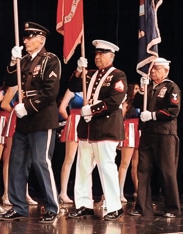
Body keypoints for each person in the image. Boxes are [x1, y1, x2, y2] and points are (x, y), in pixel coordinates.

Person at [0, 22, 61, 223]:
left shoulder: (51, 60)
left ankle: (52, 206)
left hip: (42, 117)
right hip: (24, 119)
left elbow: (50, 92)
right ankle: (18, 206)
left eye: (29, 37)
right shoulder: (23, 60)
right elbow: (9, 80)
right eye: (25, 38)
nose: (25, 41)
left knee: (41, 162)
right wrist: (12, 61)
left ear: (41, 39)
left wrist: (29, 106)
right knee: (17, 163)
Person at [67, 39, 127, 221]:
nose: (98, 57)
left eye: (102, 54)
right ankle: (84, 204)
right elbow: (73, 87)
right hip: (88, 129)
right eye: (96, 54)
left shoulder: (118, 75)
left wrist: (91, 110)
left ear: (111, 56)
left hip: (105, 128)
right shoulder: (90, 74)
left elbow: (115, 100)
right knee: (83, 167)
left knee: (106, 168)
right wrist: (78, 71)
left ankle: (114, 206)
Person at [132, 57, 181, 218]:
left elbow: (173, 110)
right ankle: (142, 207)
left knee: (167, 170)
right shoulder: (149, 87)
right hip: (147, 133)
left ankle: (172, 207)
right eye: (153, 69)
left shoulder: (171, 87)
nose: (153, 71)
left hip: (165, 133)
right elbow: (136, 103)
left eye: (157, 69)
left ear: (166, 71)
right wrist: (141, 91)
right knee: (143, 169)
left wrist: (153, 115)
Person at [57, 88, 84, 205]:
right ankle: (63, 192)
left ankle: (82, 192)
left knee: (85, 161)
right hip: (74, 121)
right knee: (69, 159)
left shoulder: (90, 90)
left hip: (86, 122)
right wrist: (70, 120)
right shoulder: (72, 90)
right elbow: (62, 109)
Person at [118, 96, 139, 206]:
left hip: (139, 130)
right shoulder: (126, 103)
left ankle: (138, 191)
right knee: (124, 163)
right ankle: (119, 192)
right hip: (129, 129)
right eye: (134, 88)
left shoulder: (142, 101)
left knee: (136, 165)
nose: (137, 90)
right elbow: (120, 117)